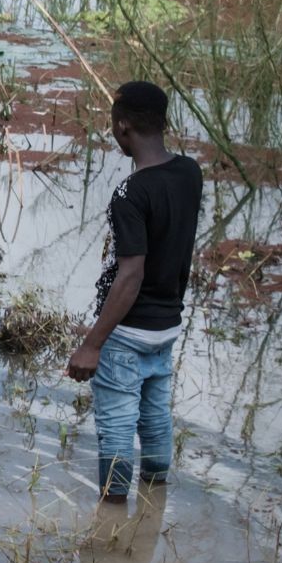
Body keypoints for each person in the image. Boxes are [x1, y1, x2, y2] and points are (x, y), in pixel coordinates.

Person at [66, 81, 203, 502]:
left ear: (122, 127)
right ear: (163, 123)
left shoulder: (130, 192)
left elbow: (130, 274)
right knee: (156, 416)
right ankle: (155, 494)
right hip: (166, 326)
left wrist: (92, 344)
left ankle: (113, 511)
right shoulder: (189, 173)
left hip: (128, 332)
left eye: (112, 125)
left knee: (118, 426)